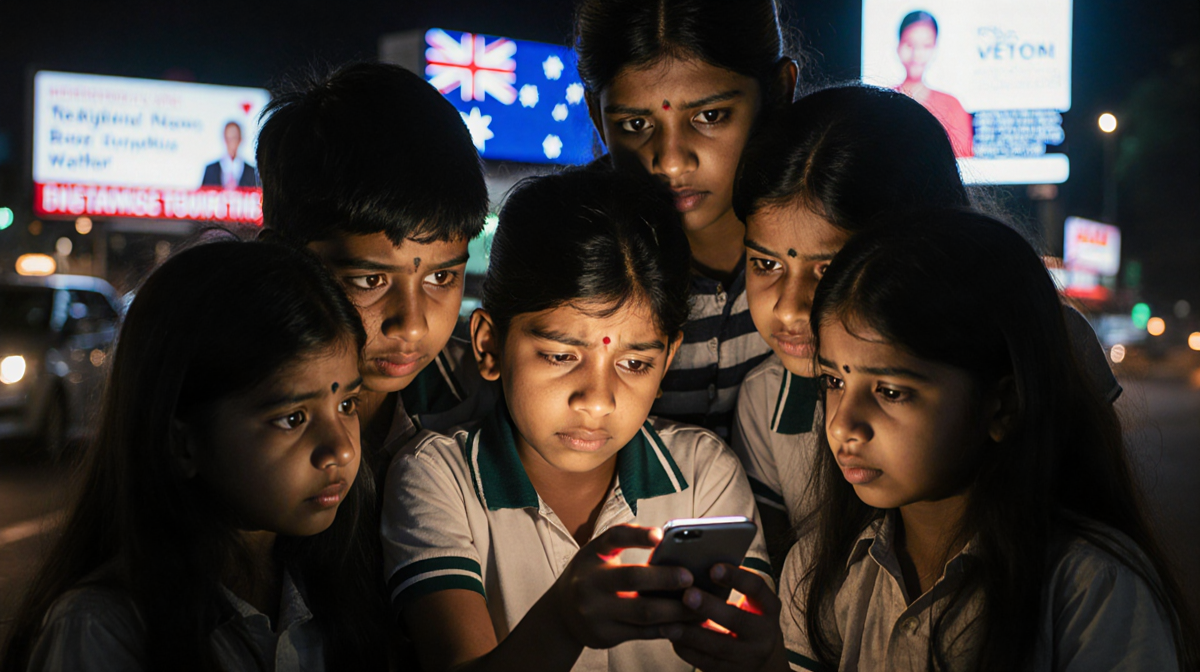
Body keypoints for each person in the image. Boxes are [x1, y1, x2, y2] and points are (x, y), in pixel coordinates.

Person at [653, 210, 1197, 671]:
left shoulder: (1091, 589)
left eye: (890, 391)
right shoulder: (820, 570)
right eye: (834, 381)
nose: (844, 424)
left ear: (1001, 405)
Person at [381, 170, 773, 672]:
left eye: (634, 364)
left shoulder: (701, 477)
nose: (597, 401)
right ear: (489, 345)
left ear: (668, 359)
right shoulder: (438, 479)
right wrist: (563, 620)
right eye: (561, 356)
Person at [729, 84, 1120, 567]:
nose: (789, 310)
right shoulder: (764, 401)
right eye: (765, 265)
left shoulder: (1043, 340)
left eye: (829, 270)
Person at [0, 241, 390, 672]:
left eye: (347, 405)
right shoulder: (104, 630)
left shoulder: (340, 590)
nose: (342, 448)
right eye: (293, 418)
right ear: (181, 442)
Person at [574, 0, 799, 440]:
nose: (671, 163)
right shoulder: (565, 254)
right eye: (636, 123)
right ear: (597, 118)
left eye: (710, 116)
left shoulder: (834, 250)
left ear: (779, 92)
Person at [255, 61, 490, 462]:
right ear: (281, 259)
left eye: (442, 276)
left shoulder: (482, 406)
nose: (412, 327)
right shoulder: (229, 416)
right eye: (370, 281)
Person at [893, 11, 973, 158]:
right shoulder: (882, 102)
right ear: (898, 47)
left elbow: (965, 160)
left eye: (926, 46)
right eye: (909, 45)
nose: (917, 54)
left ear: (935, 49)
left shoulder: (952, 106)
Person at [201, 121, 260, 188]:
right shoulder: (210, 170)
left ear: (240, 139)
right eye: (228, 138)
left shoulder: (252, 173)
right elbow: (203, 195)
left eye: (235, 138)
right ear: (224, 139)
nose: (231, 142)